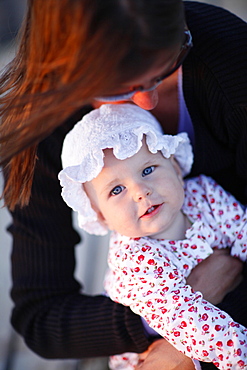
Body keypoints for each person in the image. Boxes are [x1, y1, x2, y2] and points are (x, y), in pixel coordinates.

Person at [0, 1, 246, 369]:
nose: (147, 101)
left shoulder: (228, 55)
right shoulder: (39, 132)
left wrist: (192, 347)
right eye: (116, 90)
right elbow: (42, 318)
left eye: (167, 65)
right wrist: (172, 319)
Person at [59, 103, 247, 370]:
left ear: (175, 166)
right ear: (101, 216)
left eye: (148, 170)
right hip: (164, 349)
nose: (140, 192)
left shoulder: (203, 193)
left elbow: (242, 229)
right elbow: (192, 322)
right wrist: (241, 352)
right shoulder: (135, 258)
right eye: (116, 190)